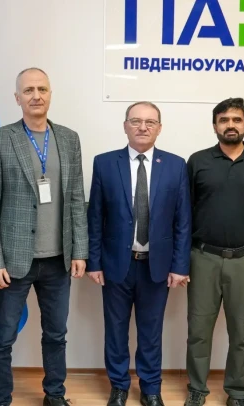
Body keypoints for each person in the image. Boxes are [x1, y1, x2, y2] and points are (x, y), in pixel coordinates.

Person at [0, 67, 88, 406]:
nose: (36, 95)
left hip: (58, 260)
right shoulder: (0, 140)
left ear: (50, 94)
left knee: (56, 335)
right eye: (28, 90)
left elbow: (76, 199)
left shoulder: (69, 139)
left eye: (42, 89)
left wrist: (80, 251)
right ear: (17, 98)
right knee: (2, 338)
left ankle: (55, 395)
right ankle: (0, 399)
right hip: (12, 262)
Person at [86, 102, 191, 406]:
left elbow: (183, 220)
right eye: (136, 121)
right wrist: (94, 262)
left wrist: (180, 265)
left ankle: (151, 389)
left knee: (151, 332)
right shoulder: (105, 163)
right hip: (115, 265)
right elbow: (95, 217)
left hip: (157, 267)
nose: (142, 127)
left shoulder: (175, 165)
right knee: (115, 330)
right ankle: (119, 386)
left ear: (159, 128)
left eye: (150, 122)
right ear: (125, 126)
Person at [184, 98, 244, 406]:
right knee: (199, 331)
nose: (230, 125)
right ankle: (197, 389)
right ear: (214, 125)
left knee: (242, 333)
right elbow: (184, 216)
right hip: (203, 259)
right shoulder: (198, 161)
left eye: (236, 119)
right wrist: (181, 262)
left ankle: (237, 393)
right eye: (224, 120)